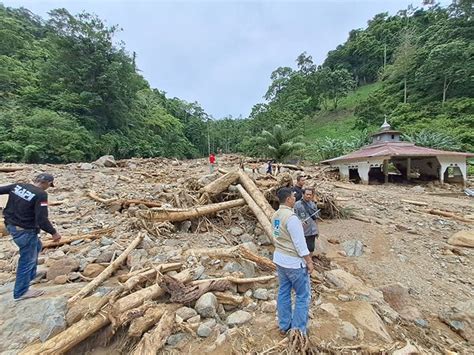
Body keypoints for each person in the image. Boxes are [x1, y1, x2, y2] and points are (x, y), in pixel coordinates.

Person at [0, 173, 61, 300]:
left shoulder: (18, 186)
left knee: (37, 246)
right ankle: (21, 292)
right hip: (25, 231)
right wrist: (53, 232)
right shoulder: (41, 194)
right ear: (47, 183)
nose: (48, 188)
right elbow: (41, 219)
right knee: (27, 260)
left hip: (11, 226)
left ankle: (31, 276)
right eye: (50, 185)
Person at [272, 187, 313, 336]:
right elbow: (300, 244)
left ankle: (284, 325)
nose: (295, 198)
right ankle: (298, 330)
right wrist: (309, 261)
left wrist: (296, 227)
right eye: (293, 197)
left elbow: (278, 234)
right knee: (302, 296)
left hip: (280, 259)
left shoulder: (276, 215)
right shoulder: (291, 218)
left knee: (283, 292)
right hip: (294, 263)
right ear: (289, 199)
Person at [294, 188, 319, 256]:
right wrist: (300, 221)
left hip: (312, 230)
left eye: (310, 195)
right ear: (303, 194)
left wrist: (317, 230)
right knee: (301, 248)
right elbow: (294, 217)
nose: (308, 196)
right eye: (307, 194)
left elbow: (316, 218)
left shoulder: (313, 205)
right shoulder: (297, 205)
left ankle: (309, 261)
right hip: (302, 231)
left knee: (311, 248)